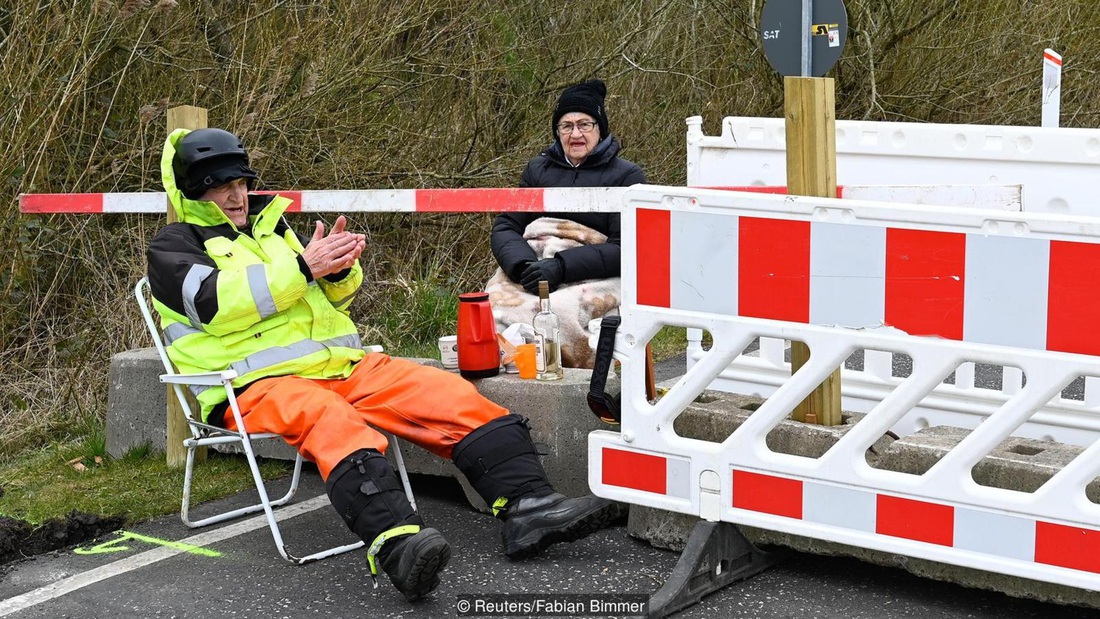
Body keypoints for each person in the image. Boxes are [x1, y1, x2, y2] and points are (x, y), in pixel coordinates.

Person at [146, 127, 619, 603]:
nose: (235, 193)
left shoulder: (272, 229)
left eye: (241, 181)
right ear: (190, 190)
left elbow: (329, 299)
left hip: (338, 367)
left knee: (442, 391)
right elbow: (214, 304)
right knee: (333, 421)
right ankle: (397, 544)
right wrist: (304, 267)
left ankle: (529, 506)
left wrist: (339, 268)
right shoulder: (173, 247)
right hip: (249, 386)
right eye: (218, 184)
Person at [487, 79, 646, 368]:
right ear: (557, 132)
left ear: (600, 129)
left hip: (596, 273)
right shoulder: (537, 170)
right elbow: (506, 225)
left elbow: (629, 247)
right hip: (533, 264)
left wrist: (561, 266)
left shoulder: (627, 176)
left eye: (584, 124)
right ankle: (508, 378)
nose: (575, 134)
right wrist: (523, 267)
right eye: (566, 126)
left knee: (558, 313)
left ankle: (579, 389)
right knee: (488, 307)